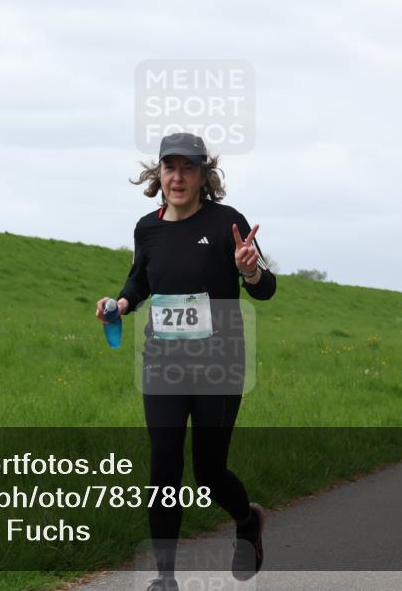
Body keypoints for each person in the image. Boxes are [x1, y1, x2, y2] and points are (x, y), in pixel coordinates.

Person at [95, 133, 276, 591]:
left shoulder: (226, 223)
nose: (177, 177)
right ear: (158, 173)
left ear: (203, 176)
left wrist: (249, 268)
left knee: (209, 471)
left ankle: (246, 520)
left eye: (188, 168)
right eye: (169, 167)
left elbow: (265, 288)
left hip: (219, 363)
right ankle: (165, 578)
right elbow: (139, 282)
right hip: (163, 362)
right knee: (164, 463)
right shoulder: (148, 228)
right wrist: (118, 304)